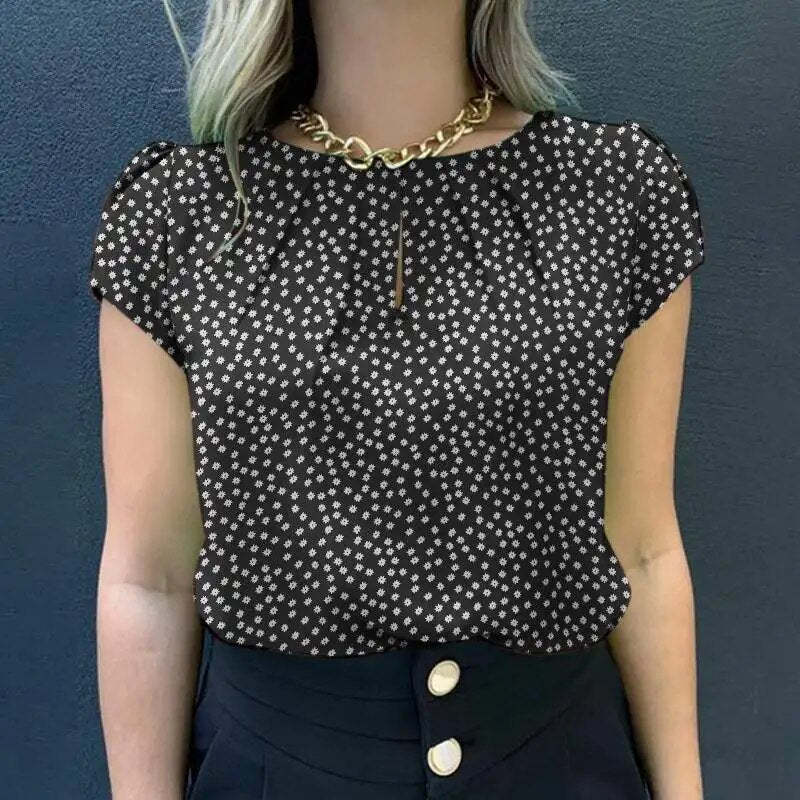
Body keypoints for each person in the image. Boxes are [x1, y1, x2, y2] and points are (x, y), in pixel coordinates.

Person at [88, 1, 706, 798]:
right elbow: (150, 576)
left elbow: (644, 550)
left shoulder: (615, 194)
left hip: (560, 763)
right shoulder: (178, 217)